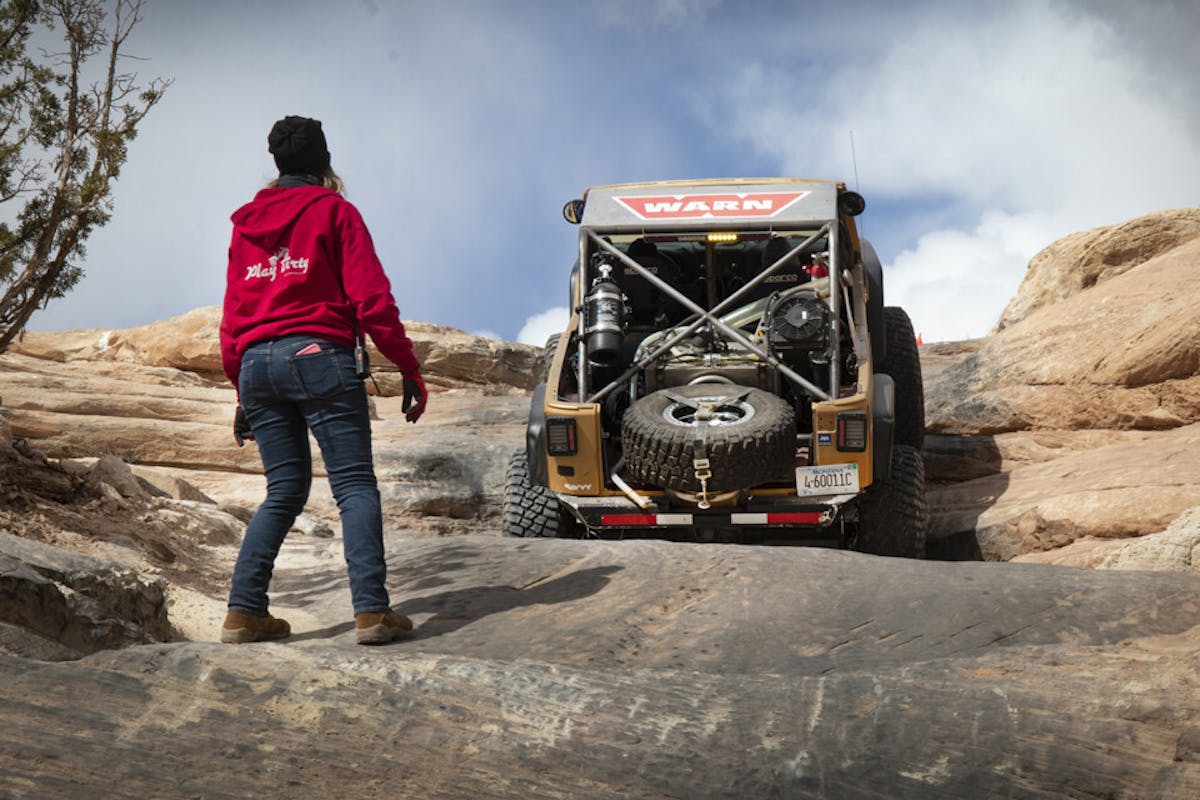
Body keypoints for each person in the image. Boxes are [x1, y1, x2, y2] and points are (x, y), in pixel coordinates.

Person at [218, 115, 428, 646]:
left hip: (255, 364)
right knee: (354, 484)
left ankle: (243, 613)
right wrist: (407, 365)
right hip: (319, 355)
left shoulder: (245, 225)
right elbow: (372, 301)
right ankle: (372, 613)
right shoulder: (335, 211)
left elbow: (233, 315)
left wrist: (240, 387)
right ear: (324, 160)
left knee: (283, 491)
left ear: (277, 163)